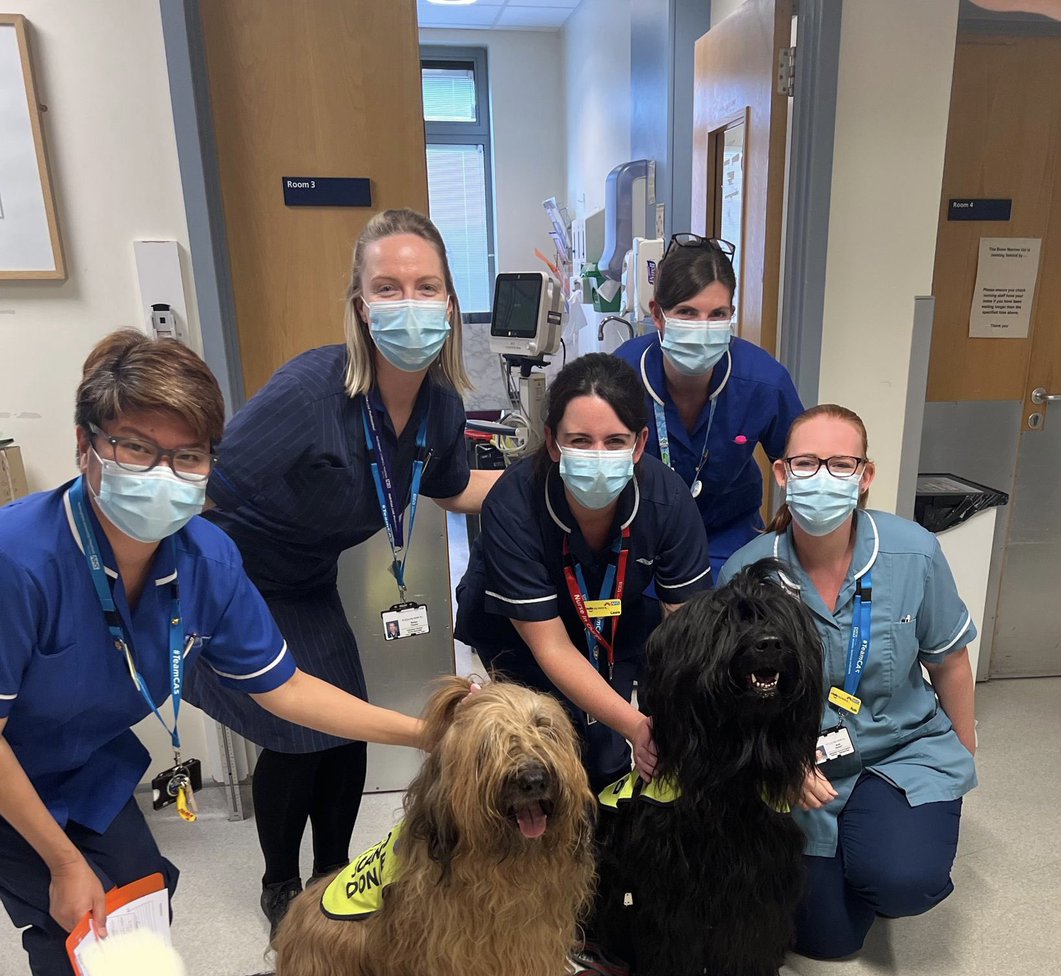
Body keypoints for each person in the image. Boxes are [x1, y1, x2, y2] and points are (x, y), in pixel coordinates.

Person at [0, 330, 428, 976]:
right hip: (7, 774)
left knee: (143, 887)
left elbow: (290, 689)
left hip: (86, 759)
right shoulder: (19, 558)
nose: (164, 474)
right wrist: (60, 860)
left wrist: (420, 732)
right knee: (71, 912)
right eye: (136, 446)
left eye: (189, 455)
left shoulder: (204, 557)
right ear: (87, 446)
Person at [185, 209, 499, 935]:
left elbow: (452, 488)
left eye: (426, 287)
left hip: (306, 583)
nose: (409, 303)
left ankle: (333, 882)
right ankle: (279, 886)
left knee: (344, 732)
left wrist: (555, 480)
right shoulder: (309, 393)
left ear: (449, 302)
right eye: (388, 287)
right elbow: (204, 491)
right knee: (295, 736)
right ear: (361, 305)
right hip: (235, 581)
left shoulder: (440, 408)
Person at [720, 404, 977, 960]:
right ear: (783, 474)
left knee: (903, 880)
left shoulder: (915, 552)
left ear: (865, 477)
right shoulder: (747, 572)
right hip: (798, 768)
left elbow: (950, 661)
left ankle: (886, 844)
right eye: (807, 463)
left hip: (902, 747)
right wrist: (777, 762)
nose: (823, 478)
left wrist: (962, 757)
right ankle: (851, 855)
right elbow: (730, 698)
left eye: (842, 464)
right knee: (827, 943)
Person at [454, 354, 712, 792]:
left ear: (640, 443)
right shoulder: (513, 504)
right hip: (520, 634)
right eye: (580, 440)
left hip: (615, 620)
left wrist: (667, 724)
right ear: (552, 443)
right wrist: (636, 725)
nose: (598, 456)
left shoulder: (667, 501)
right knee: (541, 756)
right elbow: (551, 647)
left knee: (607, 754)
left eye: (615, 441)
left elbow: (688, 631)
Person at [613, 234, 804, 578]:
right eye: (686, 312)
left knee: (729, 617)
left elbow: (805, 467)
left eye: (717, 315)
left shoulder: (763, 381)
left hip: (729, 539)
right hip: (640, 534)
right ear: (658, 315)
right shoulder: (619, 377)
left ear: (731, 315)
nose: (702, 329)